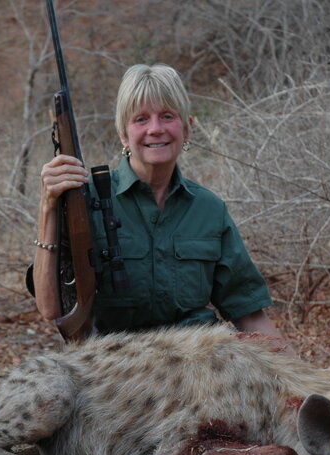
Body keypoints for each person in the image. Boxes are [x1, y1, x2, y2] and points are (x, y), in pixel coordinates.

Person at [31, 63, 293, 353]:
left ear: (187, 128)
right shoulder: (82, 200)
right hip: (115, 368)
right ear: (123, 134)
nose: (156, 129)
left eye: (167, 116)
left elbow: (251, 315)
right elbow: (50, 308)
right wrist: (49, 206)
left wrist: (306, 387)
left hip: (199, 367)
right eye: (141, 119)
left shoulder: (209, 209)